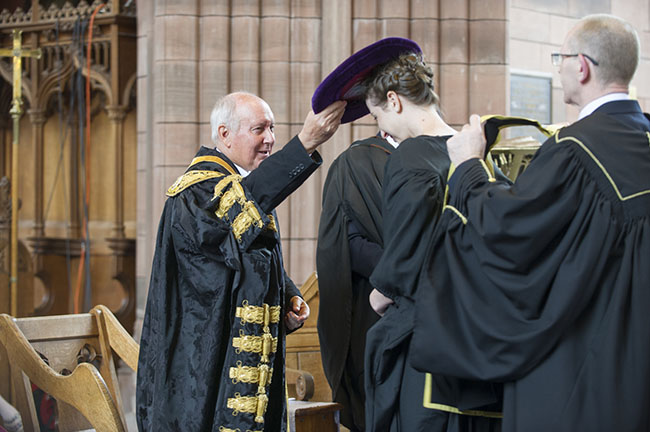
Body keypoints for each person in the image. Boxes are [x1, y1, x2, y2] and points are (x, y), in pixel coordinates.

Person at [410, 14, 650, 432]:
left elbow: (508, 231)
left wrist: (468, 165)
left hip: (583, 365)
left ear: (582, 66)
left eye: (560, 57)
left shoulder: (576, 150)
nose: (559, 67)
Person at [136, 91, 346, 431]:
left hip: (245, 356)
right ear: (224, 135)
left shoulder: (242, 187)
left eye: (272, 128)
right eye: (259, 129)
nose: (270, 139)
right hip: (205, 363)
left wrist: (288, 295)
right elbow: (229, 232)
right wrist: (304, 143)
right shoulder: (197, 192)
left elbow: (250, 256)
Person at [360, 47, 503, 431]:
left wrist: (379, 294)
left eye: (379, 117)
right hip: (480, 345)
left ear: (394, 100)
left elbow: (405, 259)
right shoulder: (473, 156)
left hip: (428, 347)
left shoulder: (411, 157)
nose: (384, 130)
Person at [316, 132, 396, 432]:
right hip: (375, 312)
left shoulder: (440, 151)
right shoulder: (356, 162)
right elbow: (345, 240)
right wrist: (406, 268)